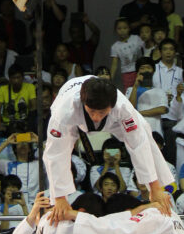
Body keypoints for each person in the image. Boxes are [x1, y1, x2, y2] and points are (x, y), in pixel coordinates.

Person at [43, 75, 174, 223]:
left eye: (101, 112)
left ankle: (157, 188)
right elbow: (55, 154)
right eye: (92, 112)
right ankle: (59, 196)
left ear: (112, 106)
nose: (96, 118)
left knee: (143, 129)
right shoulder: (65, 111)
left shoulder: (122, 106)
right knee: (58, 148)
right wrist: (60, 198)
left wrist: (154, 187)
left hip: (112, 119)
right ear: (83, 103)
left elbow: (138, 144)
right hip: (73, 114)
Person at [109, 17, 144, 90]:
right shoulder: (115, 46)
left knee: (142, 90)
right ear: (116, 30)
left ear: (129, 28)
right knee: (129, 91)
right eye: (119, 28)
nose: (122, 31)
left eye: (125, 28)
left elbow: (145, 50)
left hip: (140, 70)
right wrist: (110, 78)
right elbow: (114, 64)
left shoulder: (136, 38)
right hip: (127, 73)